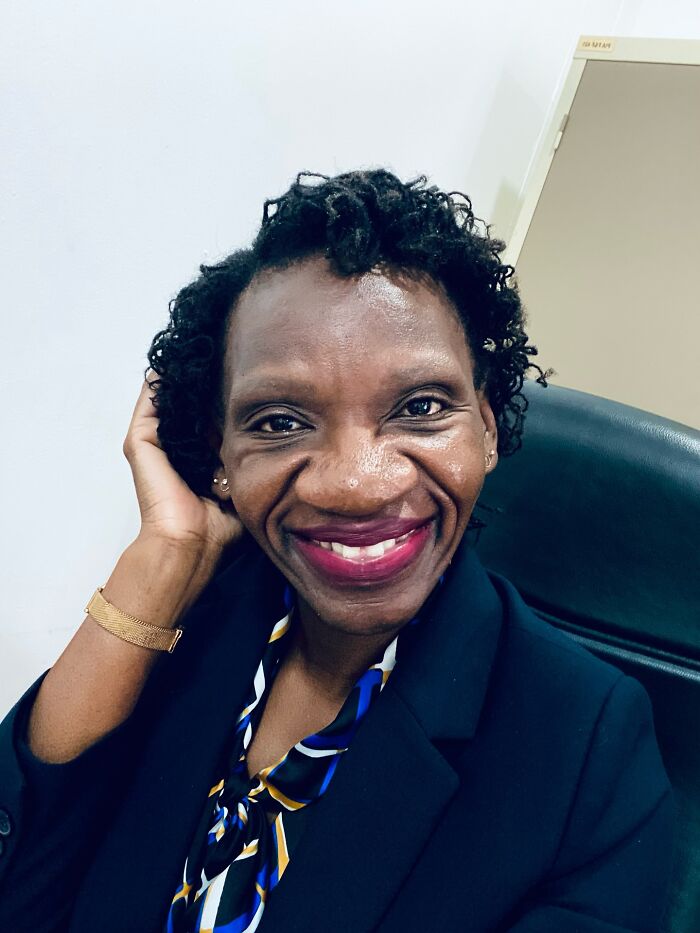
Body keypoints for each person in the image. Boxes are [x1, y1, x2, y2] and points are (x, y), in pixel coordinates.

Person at [0, 170, 673, 933]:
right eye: (279, 421)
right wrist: (163, 552)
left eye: (420, 407)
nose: (356, 483)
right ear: (221, 454)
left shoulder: (589, 752)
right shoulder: (195, 621)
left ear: (485, 428)